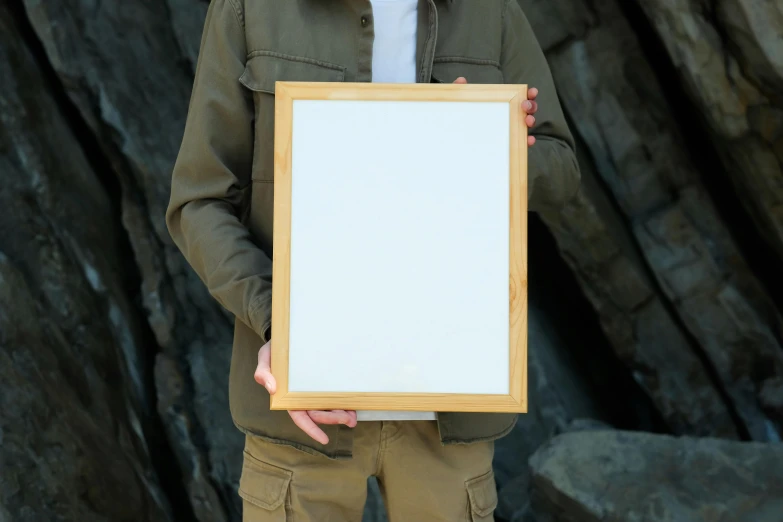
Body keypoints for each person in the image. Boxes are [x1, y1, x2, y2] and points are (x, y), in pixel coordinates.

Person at [165, 0, 580, 520]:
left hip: (448, 409)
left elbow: (561, 168)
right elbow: (198, 201)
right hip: (303, 419)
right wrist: (282, 325)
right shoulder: (251, 9)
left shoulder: (489, 11)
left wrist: (482, 136)